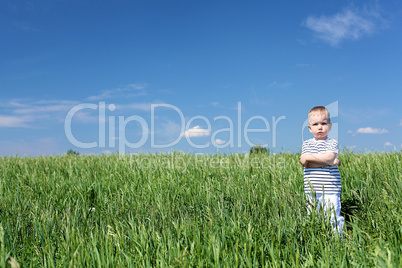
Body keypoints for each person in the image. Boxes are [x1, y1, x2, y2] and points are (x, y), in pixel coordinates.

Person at [299, 106, 344, 237]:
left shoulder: (332, 142)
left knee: (333, 216)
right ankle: (316, 239)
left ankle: (338, 241)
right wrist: (329, 162)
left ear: (330, 126)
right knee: (313, 217)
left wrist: (311, 159)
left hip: (331, 189)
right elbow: (304, 162)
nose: (320, 127)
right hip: (312, 190)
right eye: (315, 124)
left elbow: (329, 157)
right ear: (310, 128)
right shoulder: (306, 144)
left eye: (323, 124)